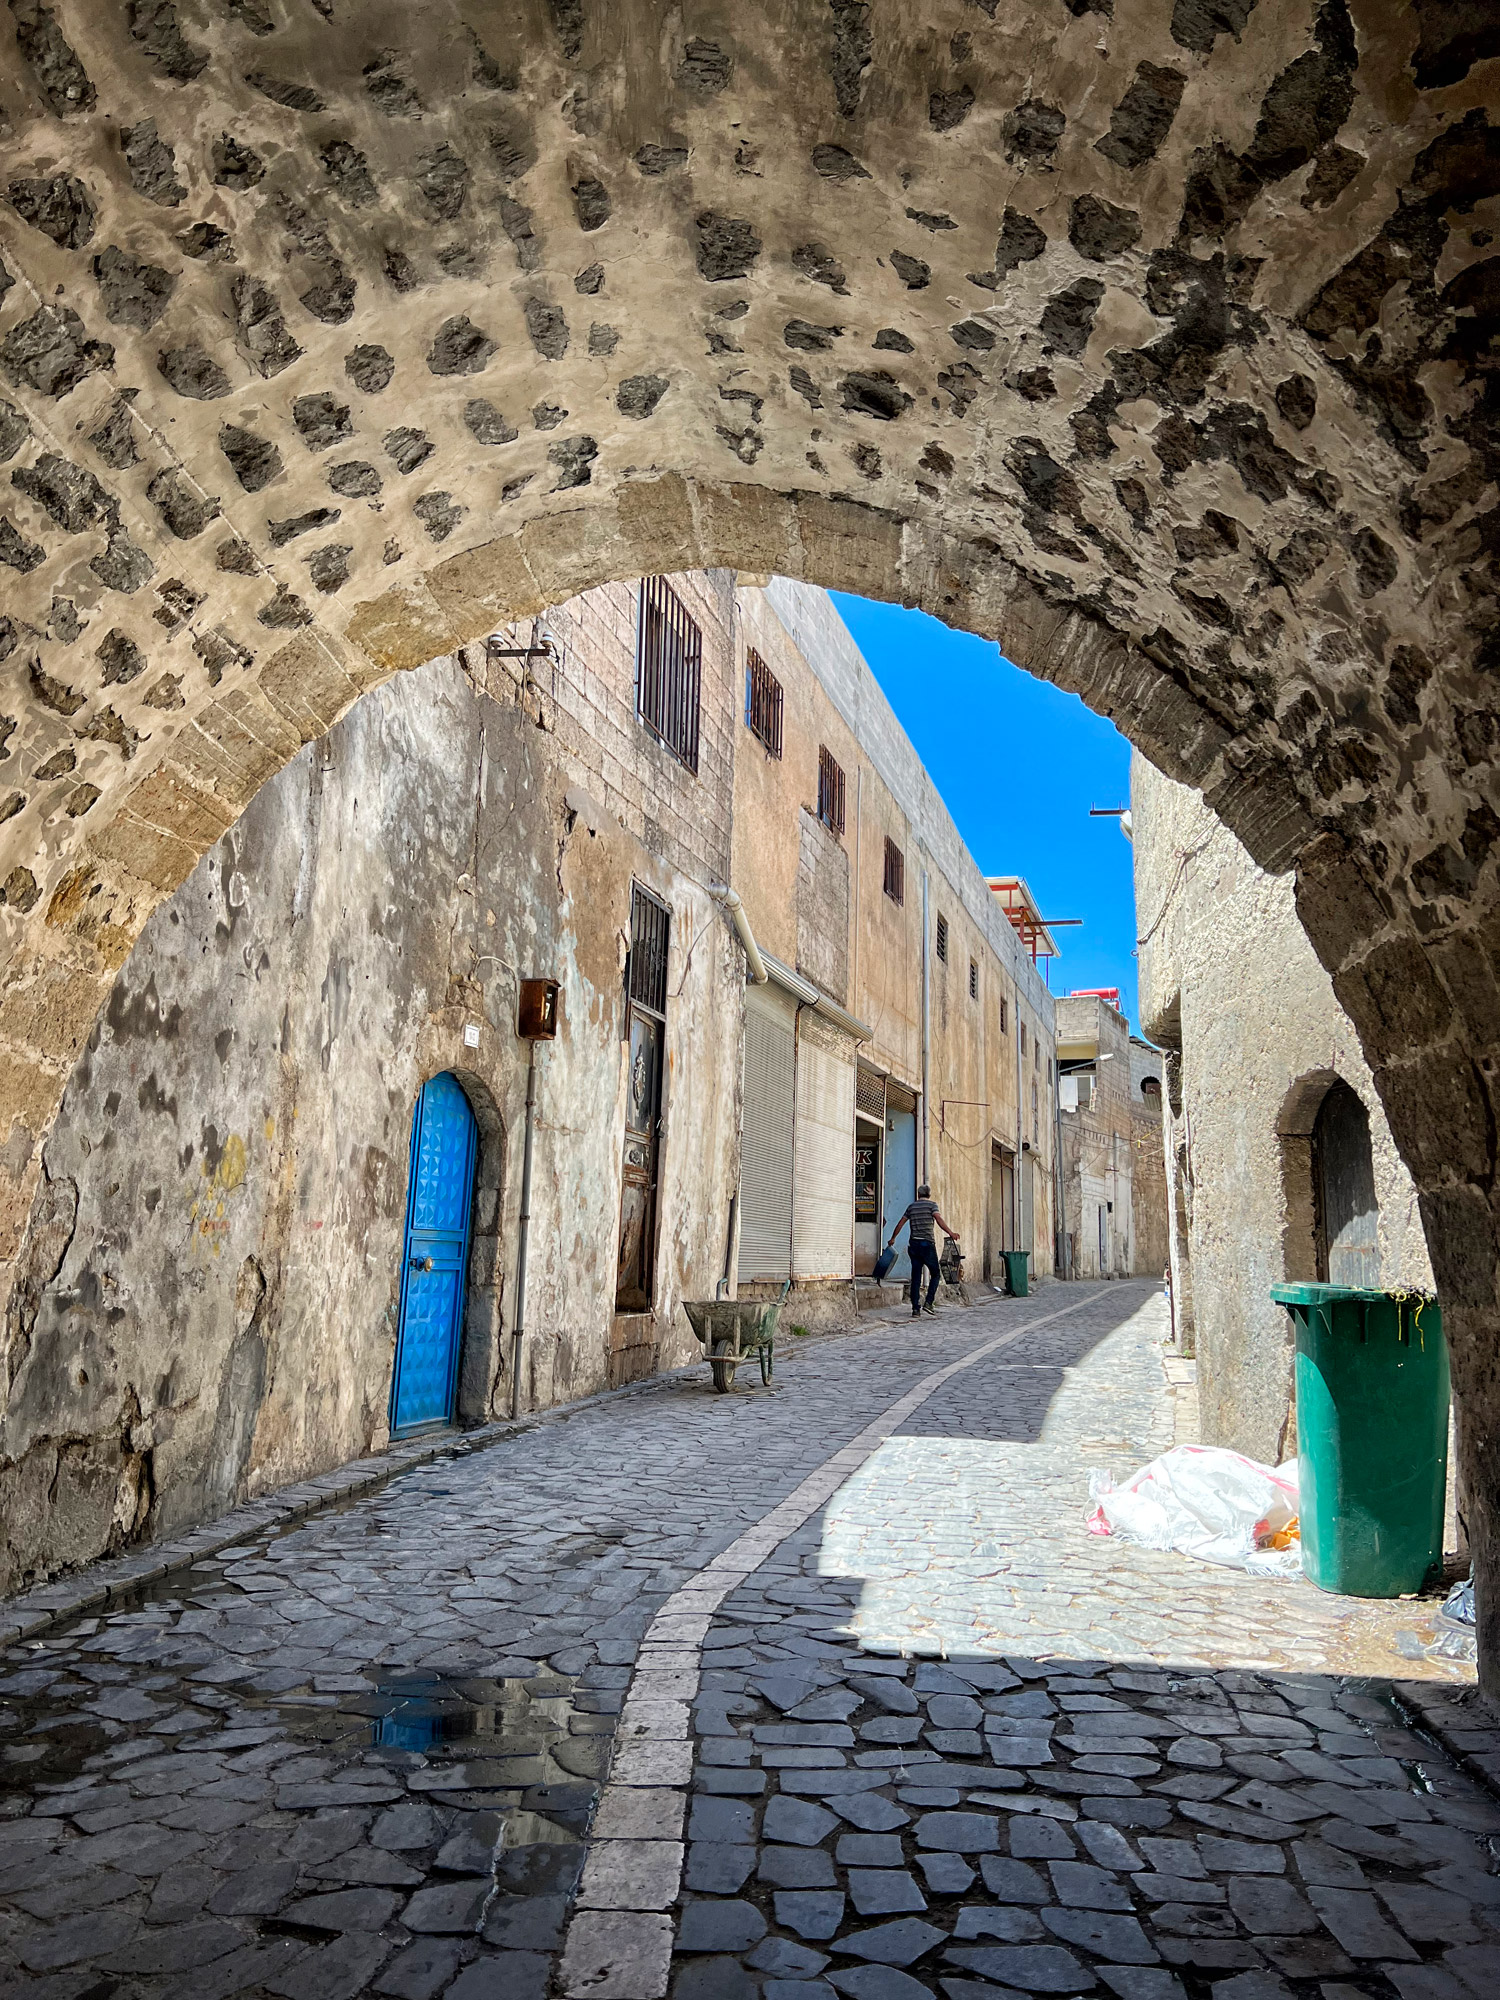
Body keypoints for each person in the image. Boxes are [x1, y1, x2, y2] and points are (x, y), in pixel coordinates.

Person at [887, 1184, 960, 1318]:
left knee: (916, 1277)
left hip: (914, 1245)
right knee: (936, 1274)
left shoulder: (911, 1207)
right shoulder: (932, 1205)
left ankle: (915, 1309)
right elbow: (938, 1219)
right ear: (929, 1195)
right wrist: (951, 1232)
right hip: (927, 1245)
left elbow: (900, 1223)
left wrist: (893, 1238)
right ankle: (929, 1302)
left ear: (918, 1194)